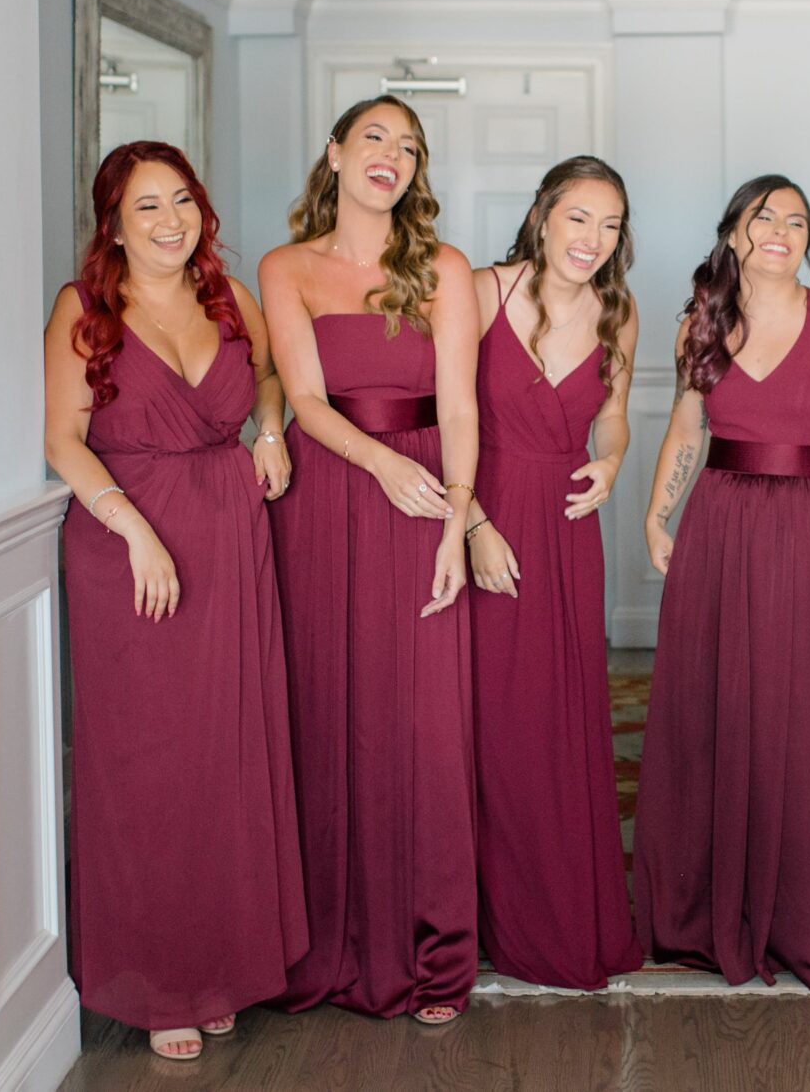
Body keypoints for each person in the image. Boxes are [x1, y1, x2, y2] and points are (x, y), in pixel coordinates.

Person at [44, 141, 305, 1061]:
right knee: (148, 765)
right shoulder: (84, 310)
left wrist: (268, 429)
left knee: (225, 753)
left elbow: (269, 377)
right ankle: (159, 982)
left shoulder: (228, 297)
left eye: (182, 200)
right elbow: (64, 440)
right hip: (131, 550)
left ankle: (221, 965)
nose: (170, 220)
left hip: (230, 536)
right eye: (147, 205)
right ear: (114, 224)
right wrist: (134, 530)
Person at [258, 96, 482, 1023]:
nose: (392, 154)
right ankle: (328, 942)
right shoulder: (286, 268)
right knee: (327, 706)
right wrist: (379, 463)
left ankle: (433, 952)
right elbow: (305, 400)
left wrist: (456, 521)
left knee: (422, 721)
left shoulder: (442, 267)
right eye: (375, 137)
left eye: (410, 146)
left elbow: (461, 405)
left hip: (425, 492)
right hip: (328, 493)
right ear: (335, 153)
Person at [634, 175, 810, 989]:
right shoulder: (699, 320)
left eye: (797, 220)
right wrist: (657, 514)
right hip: (721, 525)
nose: (781, 229)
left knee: (806, 713)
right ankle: (707, 906)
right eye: (763, 215)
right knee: (714, 707)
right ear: (733, 231)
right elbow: (685, 428)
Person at [468, 156, 642, 988]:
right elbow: (440, 416)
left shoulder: (619, 313)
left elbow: (614, 417)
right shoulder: (479, 291)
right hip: (488, 516)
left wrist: (611, 462)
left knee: (560, 719)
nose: (593, 239)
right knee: (492, 719)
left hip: (570, 529)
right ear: (542, 214)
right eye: (579, 217)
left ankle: (559, 906)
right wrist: (472, 524)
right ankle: (484, 913)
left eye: (611, 225)